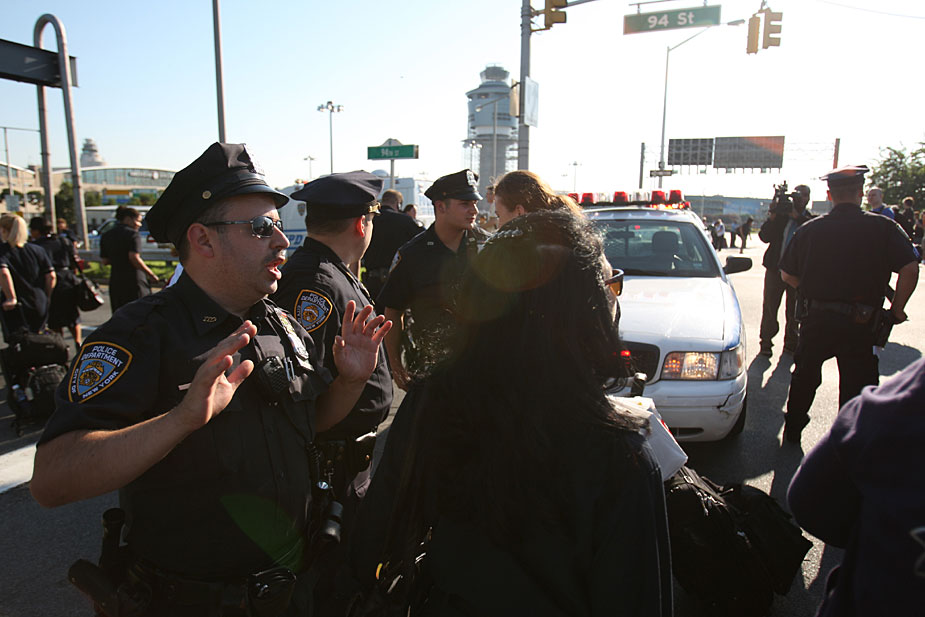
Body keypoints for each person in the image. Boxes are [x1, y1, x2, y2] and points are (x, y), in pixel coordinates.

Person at [29, 143, 391, 617]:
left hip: (297, 589)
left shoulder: (281, 324)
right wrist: (180, 420)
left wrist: (347, 381)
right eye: (262, 229)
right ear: (203, 240)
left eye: (279, 227)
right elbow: (52, 480)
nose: (283, 242)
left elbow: (314, 424)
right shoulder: (142, 334)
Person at [350, 210, 672, 615]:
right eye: (611, 285)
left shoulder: (431, 404)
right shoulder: (620, 455)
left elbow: (373, 540)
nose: (614, 298)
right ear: (584, 310)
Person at [778, 165, 919, 443]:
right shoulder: (883, 227)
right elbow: (910, 267)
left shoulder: (809, 229)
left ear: (830, 195)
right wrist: (897, 308)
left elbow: (786, 274)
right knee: (856, 386)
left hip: (816, 319)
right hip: (861, 323)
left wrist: (811, 290)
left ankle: (793, 432)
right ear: (861, 193)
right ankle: (847, 443)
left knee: (805, 378)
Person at [787, 357, 925, 616]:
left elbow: (808, 500)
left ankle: (792, 430)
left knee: (807, 373)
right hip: (855, 330)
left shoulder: (913, 395)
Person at [378, 169, 489, 391]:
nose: (474, 210)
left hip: (482, 368)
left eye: (474, 203)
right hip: (432, 371)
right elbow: (393, 312)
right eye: (465, 203)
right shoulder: (413, 254)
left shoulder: (487, 247)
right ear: (440, 207)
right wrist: (396, 366)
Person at [757, 184, 815, 356]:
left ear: (808, 198)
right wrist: (773, 215)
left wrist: (796, 217)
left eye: (804, 195)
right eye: (797, 195)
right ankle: (766, 342)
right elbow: (764, 236)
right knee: (769, 307)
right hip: (776, 270)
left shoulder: (810, 220)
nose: (800, 198)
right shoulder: (780, 219)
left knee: (794, 310)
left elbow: (812, 235)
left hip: (798, 274)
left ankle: (791, 343)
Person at [29, 217, 82, 348]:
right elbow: (74, 260)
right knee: (73, 316)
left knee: (55, 318)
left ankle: (61, 344)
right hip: (68, 279)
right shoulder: (63, 241)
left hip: (49, 282)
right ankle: (78, 342)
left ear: (36, 231)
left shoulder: (36, 246)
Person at [360, 188, 420, 302]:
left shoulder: (369, 221)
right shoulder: (405, 221)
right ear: (398, 203)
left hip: (372, 281)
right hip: (398, 280)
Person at [0, 214, 55, 336]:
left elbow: (4, 273)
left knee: (19, 343)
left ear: (4, 230)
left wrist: (11, 297)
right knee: (38, 339)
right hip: (38, 300)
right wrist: (47, 296)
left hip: (18, 306)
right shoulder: (37, 249)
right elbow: (51, 276)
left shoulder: (3, 250)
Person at [99, 206, 160, 312]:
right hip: (134, 281)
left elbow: (105, 261)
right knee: (139, 314)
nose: (139, 225)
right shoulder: (133, 234)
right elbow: (134, 257)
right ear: (128, 219)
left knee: (120, 315)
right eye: (138, 221)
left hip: (116, 280)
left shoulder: (106, 235)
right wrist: (151, 275)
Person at [492, 169, 583, 227]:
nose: (498, 225)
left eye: (499, 216)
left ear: (519, 212)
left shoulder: (515, 252)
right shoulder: (574, 238)